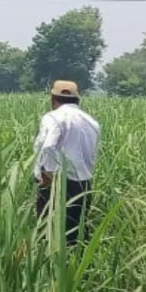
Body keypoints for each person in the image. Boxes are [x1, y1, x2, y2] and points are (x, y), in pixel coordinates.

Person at [33, 80, 100, 245]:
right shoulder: (92, 122)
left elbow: (48, 146)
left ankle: (47, 269)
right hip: (83, 184)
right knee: (76, 234)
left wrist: (46, 174)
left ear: (52, 99)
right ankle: (77, 268)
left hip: (56, 181)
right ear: (78, 100)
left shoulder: (53, 117)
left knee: (47, 233)